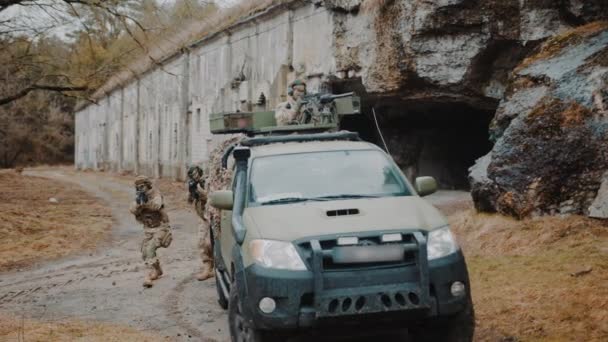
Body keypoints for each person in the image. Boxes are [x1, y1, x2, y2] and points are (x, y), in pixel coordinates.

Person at [129, 175, 173, 288]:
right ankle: (157, 270)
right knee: (144, 252)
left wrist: (145, 203)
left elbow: (156, 206)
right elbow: (132, 209)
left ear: (147, 185)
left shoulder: (155, 194)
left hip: (161, 228)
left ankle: (149, 275)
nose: (140, 189)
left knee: (150, 249)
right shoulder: (139, 197)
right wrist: (139, 204)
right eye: (138, 187)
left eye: (142, 186)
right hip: (149, 230)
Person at [187, 165, 214, 281]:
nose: (194, 176)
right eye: (192, 175)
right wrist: (191, 192)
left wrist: (198, 189)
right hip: (202, 217)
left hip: (212, 216)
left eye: (195, 173)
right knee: (201, 242)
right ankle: (207, 267)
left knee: (211, 243)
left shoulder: (207, 181)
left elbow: (210, 197)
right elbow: (189, 201)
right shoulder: (194, 183)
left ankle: (215, 266)